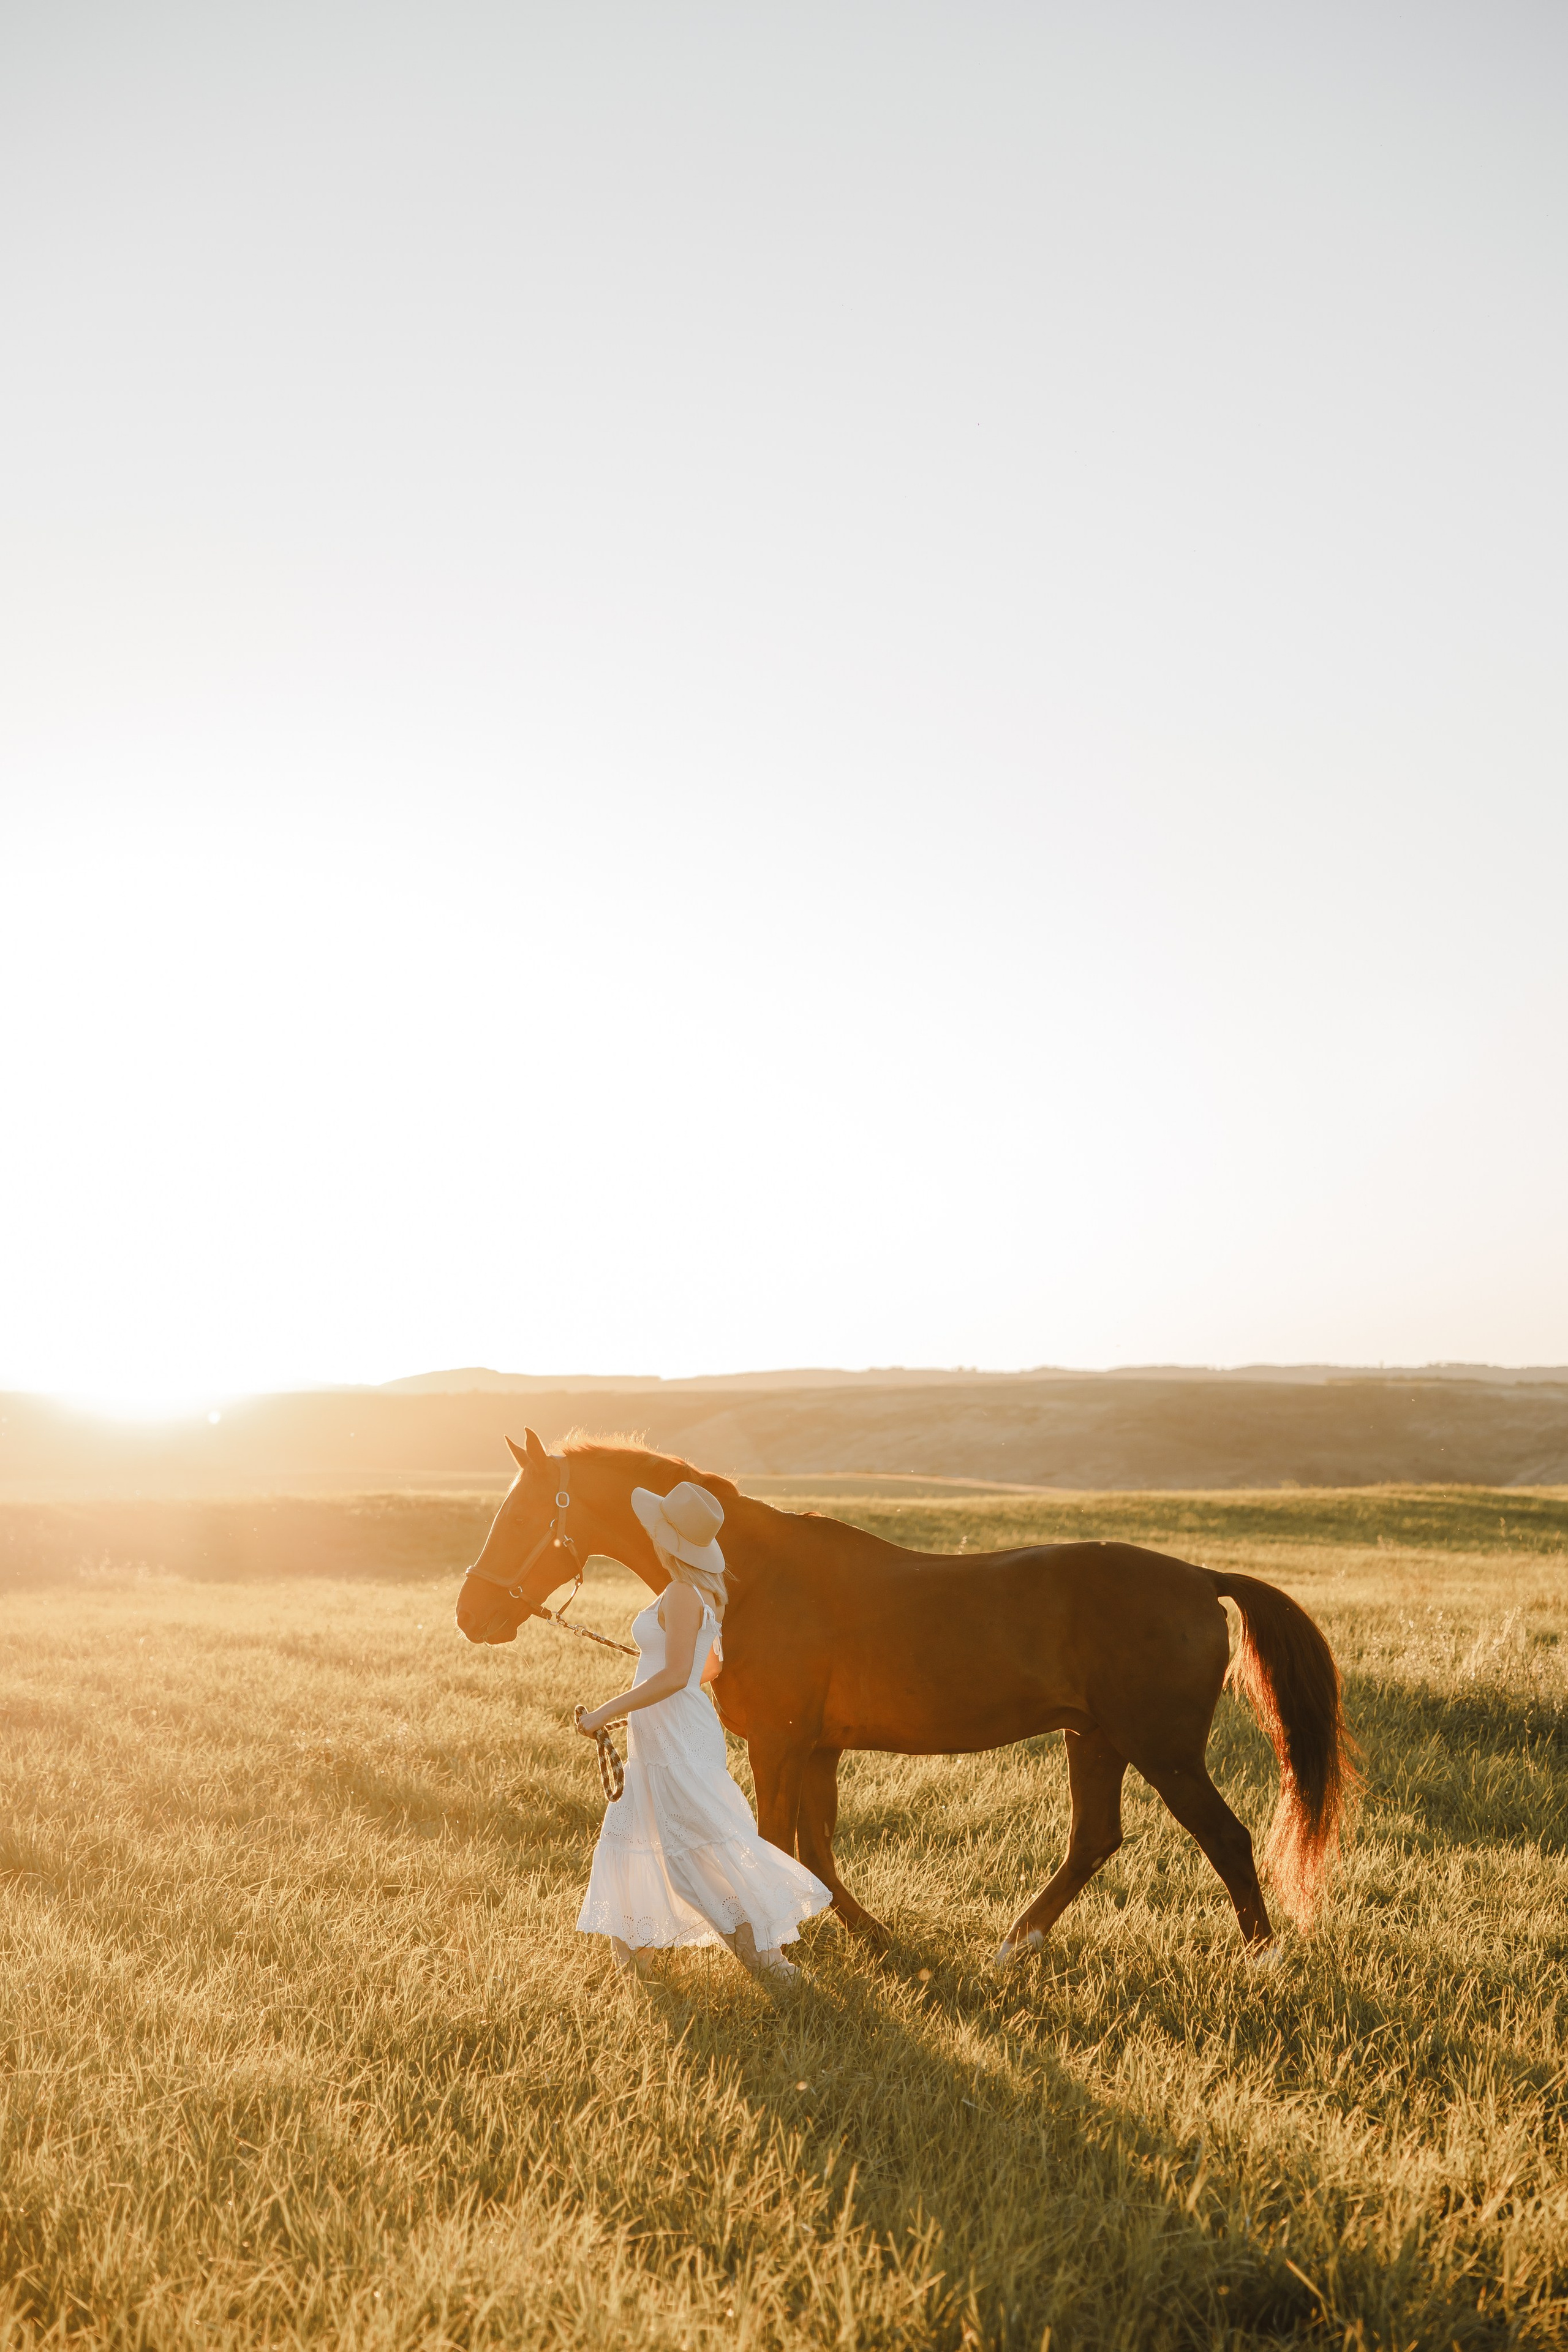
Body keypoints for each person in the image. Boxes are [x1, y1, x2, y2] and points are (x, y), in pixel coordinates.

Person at [575, 1479, 831, 1983]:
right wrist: (660, 1682)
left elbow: (675, 1676)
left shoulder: (680, 1593)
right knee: (644, 1827)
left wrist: (606, 1711)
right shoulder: (703, 1593)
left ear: (665, 1540)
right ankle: (634, 1961)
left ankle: (769, 1961)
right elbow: (709, 1667)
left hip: (675, 1733)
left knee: (696, 1839)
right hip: (669, 1727)